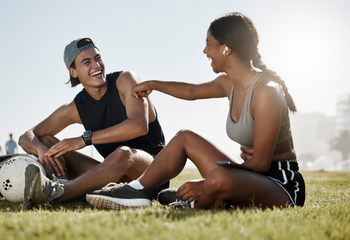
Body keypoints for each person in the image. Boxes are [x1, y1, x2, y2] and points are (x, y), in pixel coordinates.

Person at [85, 12, 306, 210]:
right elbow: (191, 91)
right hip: (249, 177)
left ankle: (201, 200)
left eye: (208, 43)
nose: (204, 50)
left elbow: (259, 164)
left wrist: (205, 183)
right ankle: (136, 191)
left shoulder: (266, 92)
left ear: (226, 48)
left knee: (219, 178)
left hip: (280, 184)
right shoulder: (228, 83)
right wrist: (154, 84)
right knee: (184, 137)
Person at [19, 38, 168, 208]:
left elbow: (138, 125)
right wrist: (41, 150)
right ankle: (62, 183)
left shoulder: (125, 80)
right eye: (87, 62)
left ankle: (57, 193)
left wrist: (84, 139)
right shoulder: (77, 107)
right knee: (46, 141)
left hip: (153, 175)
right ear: (73, 72)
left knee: (123, 154)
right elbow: (26, 136)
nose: (96, 65)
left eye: (98, 58)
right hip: (112, 173)